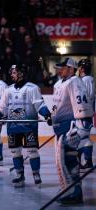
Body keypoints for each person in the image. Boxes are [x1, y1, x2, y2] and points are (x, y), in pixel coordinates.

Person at [0, 63, 51, 187]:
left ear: (21, 73)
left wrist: (47, 114)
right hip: (13, 127)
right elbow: (1, 109)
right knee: (15, 151)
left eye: (14, 72)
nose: (11, 75)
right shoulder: (8, 90)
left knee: (32, 151)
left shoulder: (32, 88)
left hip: (29, 126)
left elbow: (39, 105)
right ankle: (20, 175)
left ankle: (36, 173)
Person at [52, 57, 94, 205]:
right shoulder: (59, 84)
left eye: (62, 68)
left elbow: (84, 108)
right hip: (60, 128)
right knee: (69, 161)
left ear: (71, 69)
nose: (59, 70)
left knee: (64, 159)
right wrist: (53, 117)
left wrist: (81, 130)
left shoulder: (75, 82)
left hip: (70, 128)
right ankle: (72, 190)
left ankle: (71, 191)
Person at [78, 58, 95, 171]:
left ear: (82, 68)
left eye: (79, 67)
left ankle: (88, 161)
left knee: (82, 137)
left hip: (84, 112)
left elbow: (86, 97)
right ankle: (83, 161)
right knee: (80, 137)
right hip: (85, 112)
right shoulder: (89, 79)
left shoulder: (86, 80)